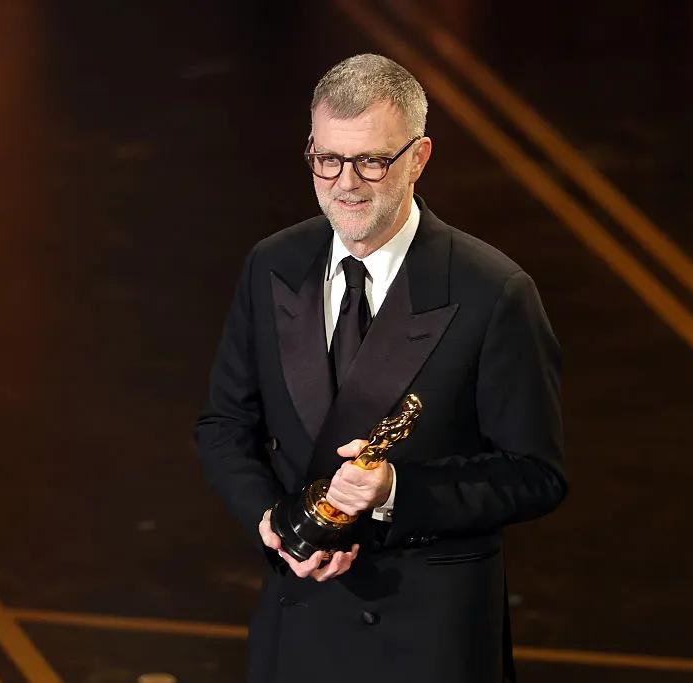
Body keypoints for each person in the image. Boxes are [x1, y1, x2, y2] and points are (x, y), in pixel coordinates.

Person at [195, 53, 567, 683]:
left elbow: (536, 474)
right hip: (301, 615)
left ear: (418, 158)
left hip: (428, 637)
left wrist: (396, 492)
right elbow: (225, 423)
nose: (346, 183)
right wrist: (272, 520)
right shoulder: (273, 264)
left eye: (371, 161)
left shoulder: (492, 291)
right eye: (328, 160)